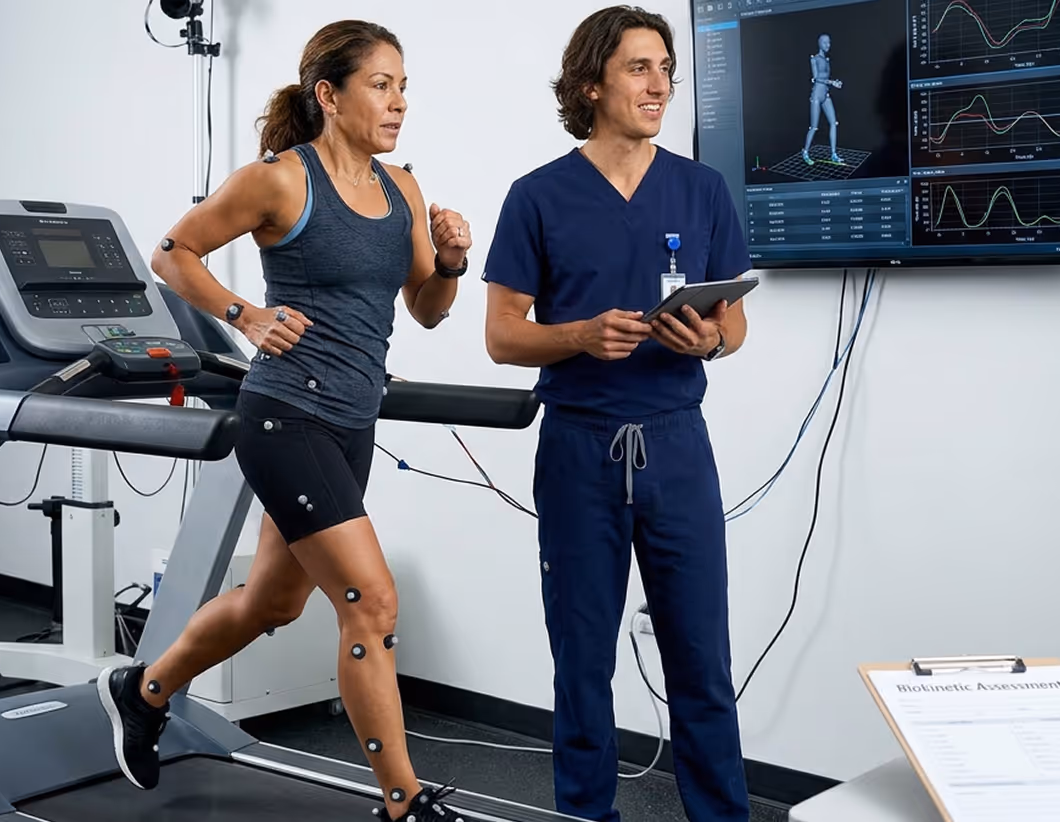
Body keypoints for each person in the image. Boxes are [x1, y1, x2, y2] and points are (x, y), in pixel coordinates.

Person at [95, 19, 473, 822]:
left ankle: (143, 687)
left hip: (351, 419)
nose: (399, 101)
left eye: (404, 85)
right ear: (329, 95)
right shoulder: (280, 181)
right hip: (285, 413)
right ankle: (403, 802)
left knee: (273, 603)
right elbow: (172, 251)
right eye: (382, 84)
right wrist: (246, 314)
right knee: (371, 603)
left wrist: (450, 263)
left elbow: (429, 312)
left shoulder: (401, 187)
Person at [482, 6, 752, 822]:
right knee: (582, 661)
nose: (661, 82)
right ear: (592, 82)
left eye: (665, 66)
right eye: (640, 66)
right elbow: (502, 336)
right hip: (579, 450)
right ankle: (586, 815)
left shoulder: (701, 189)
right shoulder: (537, 197)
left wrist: (706, 338)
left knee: (701, 660)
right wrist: (580, 336)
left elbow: (736, 325)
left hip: (678, 448)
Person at [803, 33, 843, 165]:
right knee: (814, 127)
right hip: (816, 95)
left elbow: (825, 78)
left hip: (825, 94)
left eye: (829, 42)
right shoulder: (814, 59)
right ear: (819, 43)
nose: (828, 45)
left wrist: (834, 82)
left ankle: (833, 154)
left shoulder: (827, 60)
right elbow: (816, 78)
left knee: (833, 122)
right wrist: (832, 82)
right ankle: (805, 152)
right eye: (825, 42)